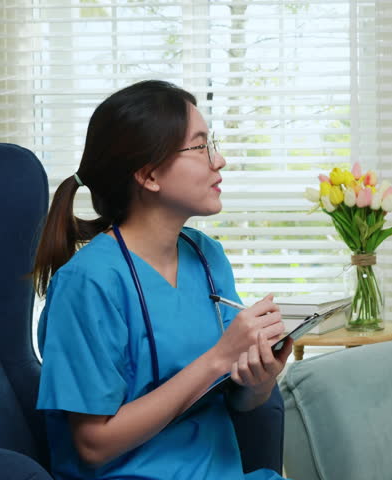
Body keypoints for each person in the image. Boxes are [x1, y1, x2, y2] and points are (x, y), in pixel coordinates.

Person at [32, 80, 292, 480]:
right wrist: (217, 359)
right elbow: (93, 445)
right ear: (149, 175)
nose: (218, 160)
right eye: (201, 145)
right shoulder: (87, 284)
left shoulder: (207, 257)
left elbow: (236, 402)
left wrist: (258, 377)